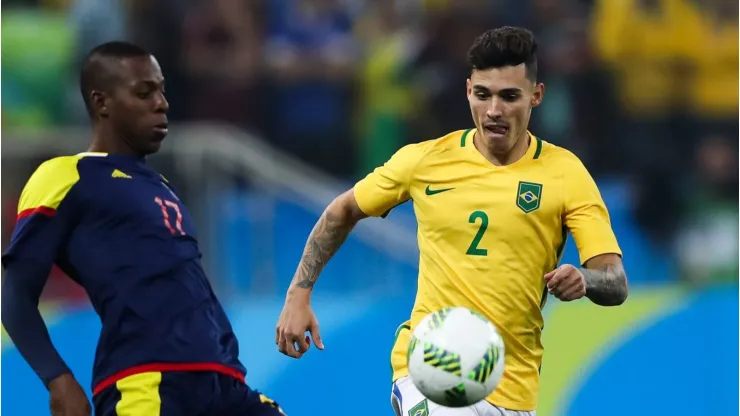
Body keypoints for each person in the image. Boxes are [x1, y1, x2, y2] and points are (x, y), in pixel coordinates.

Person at [275, 26, 628, 416]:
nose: (494, 110)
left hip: (513, 387)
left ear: (536, 96)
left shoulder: (565, 173)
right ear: (467, 92)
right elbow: (342, 211)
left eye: (509, 96)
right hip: (430, 364)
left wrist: (585, 278)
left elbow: (614, 281)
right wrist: (298, 295)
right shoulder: (426, 161)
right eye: (483, 95)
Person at [1, 41, 286, 416]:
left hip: (224, 384)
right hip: (146, 383)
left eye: (162, 90)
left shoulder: (162, 185)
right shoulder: (66, 175)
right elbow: (16, 296)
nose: (162, 103)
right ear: (101, 102)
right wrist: (59, 380)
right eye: (144, 92)